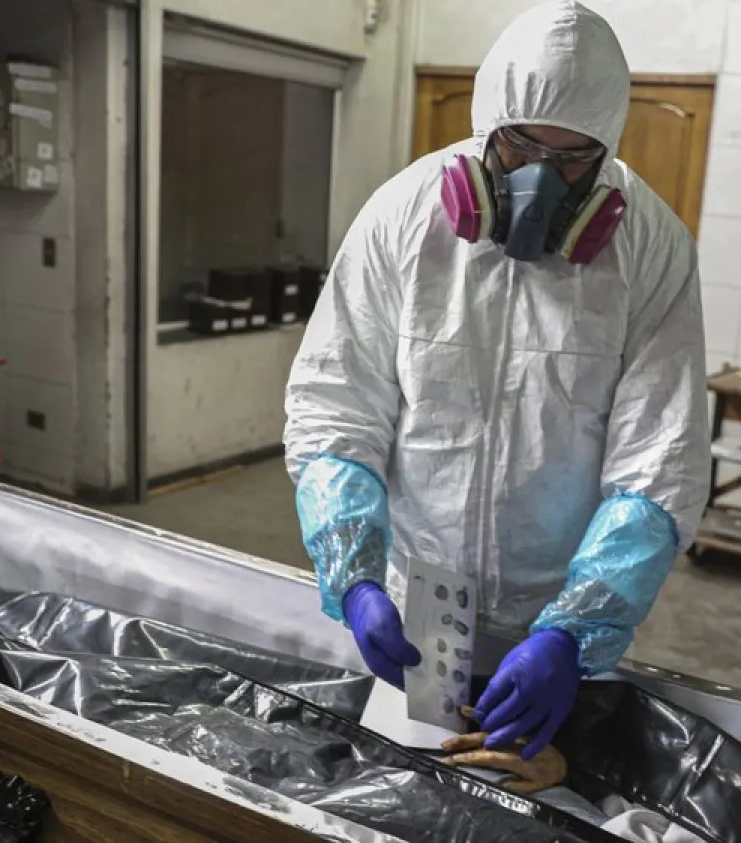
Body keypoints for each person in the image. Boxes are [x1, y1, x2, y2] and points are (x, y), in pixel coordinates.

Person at [283, 0, 707, 762]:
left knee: (535, 797)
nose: (544, 178)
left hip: (558, 611)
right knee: (405, 788)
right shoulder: (403, 219)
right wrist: (354, 573)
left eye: (575, 156)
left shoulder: (650, 248)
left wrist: (574, 630)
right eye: (521, 144)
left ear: (608, 149)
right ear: (487, 128)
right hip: (417, 598)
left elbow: (660, 461)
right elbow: (334, 405)